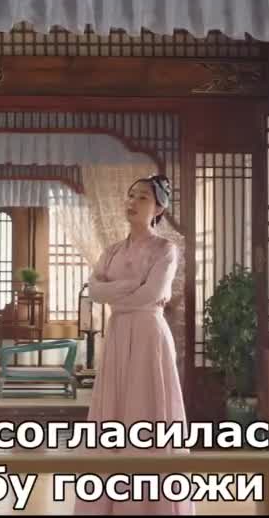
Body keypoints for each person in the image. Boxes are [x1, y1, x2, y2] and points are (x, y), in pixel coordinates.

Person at [75, 175, 194, 515]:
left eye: (142, 197)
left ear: (158, 208)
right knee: (114, 409)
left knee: (147, 406)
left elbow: (151, 295)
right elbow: (94, 290)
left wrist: (117, 291)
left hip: (148, 334)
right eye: (130, 195)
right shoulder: (112, 250)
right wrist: (131, 285)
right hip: (118, 332)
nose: (132, 202)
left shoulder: (165, 249)